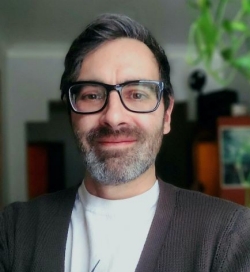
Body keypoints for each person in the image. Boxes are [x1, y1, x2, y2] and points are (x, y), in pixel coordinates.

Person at [1, 13, 250, 272]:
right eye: (93, 95)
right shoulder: (14, 230)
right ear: (71, 113)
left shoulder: (229, 236)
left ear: (166, 115)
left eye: (138, 94)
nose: (114, 117)